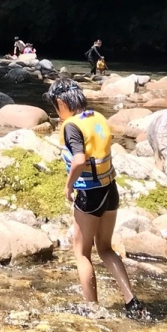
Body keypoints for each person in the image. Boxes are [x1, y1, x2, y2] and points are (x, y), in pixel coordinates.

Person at [45, 77, 146, 318]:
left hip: (90, 195)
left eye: (54, 106)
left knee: (81, 253)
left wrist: (68, 186)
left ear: (61, 102)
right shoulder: (96, 117)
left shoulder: (71, 126)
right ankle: (132, 302)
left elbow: (79, 160)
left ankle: (92, 309)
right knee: (105, 248)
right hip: (110, 191)